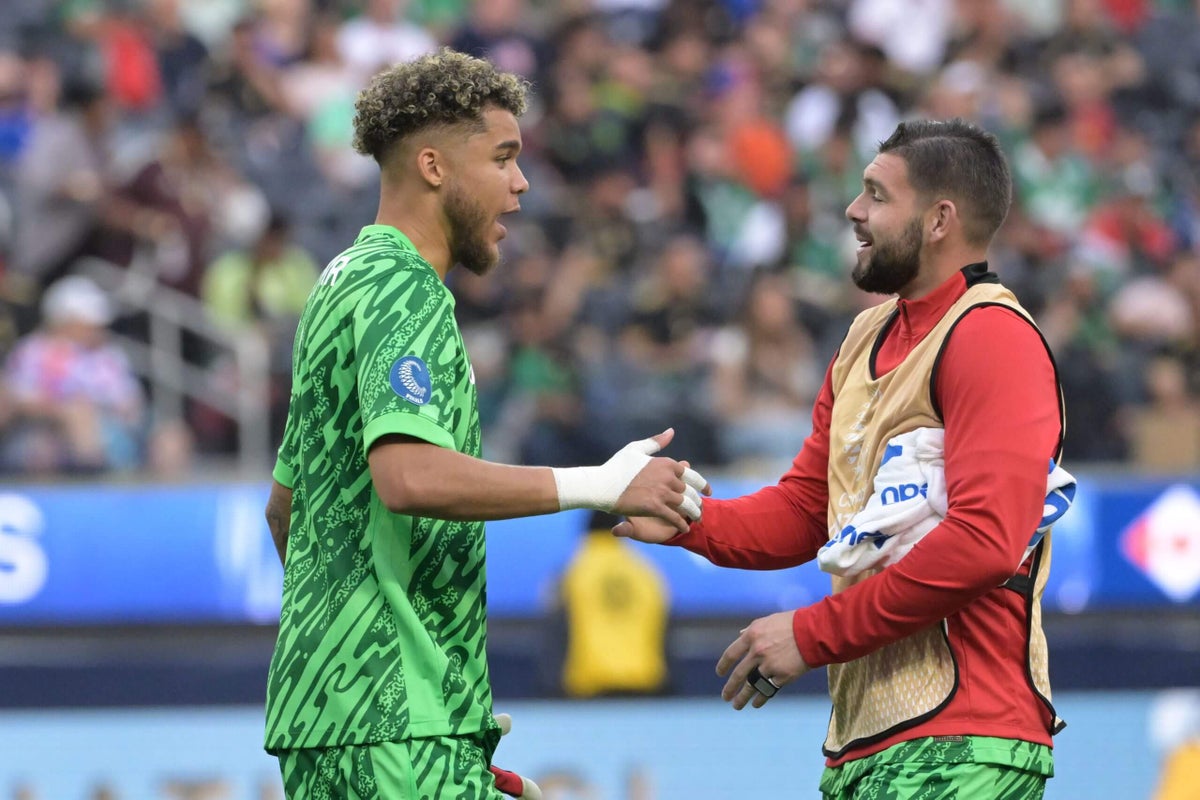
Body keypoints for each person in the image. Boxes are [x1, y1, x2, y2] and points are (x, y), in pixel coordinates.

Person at [262, 50, 708, 799]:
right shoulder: (403, 290)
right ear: (433, 166)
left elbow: (286, 508)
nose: (521, 182)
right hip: (398, 723)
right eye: (502, 158)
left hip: (347, 719)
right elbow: (409, 477)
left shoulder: (340, 280)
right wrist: (599, 485)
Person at [617, 118, 1067, 798]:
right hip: (863, 745)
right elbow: (808, 510)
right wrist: (688, 516)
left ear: (939, 220)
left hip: (966, 743)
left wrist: (811, 634)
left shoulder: (992, 337)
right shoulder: (864, 336)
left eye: (877, 195)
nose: (854, 210)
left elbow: (984, 543)